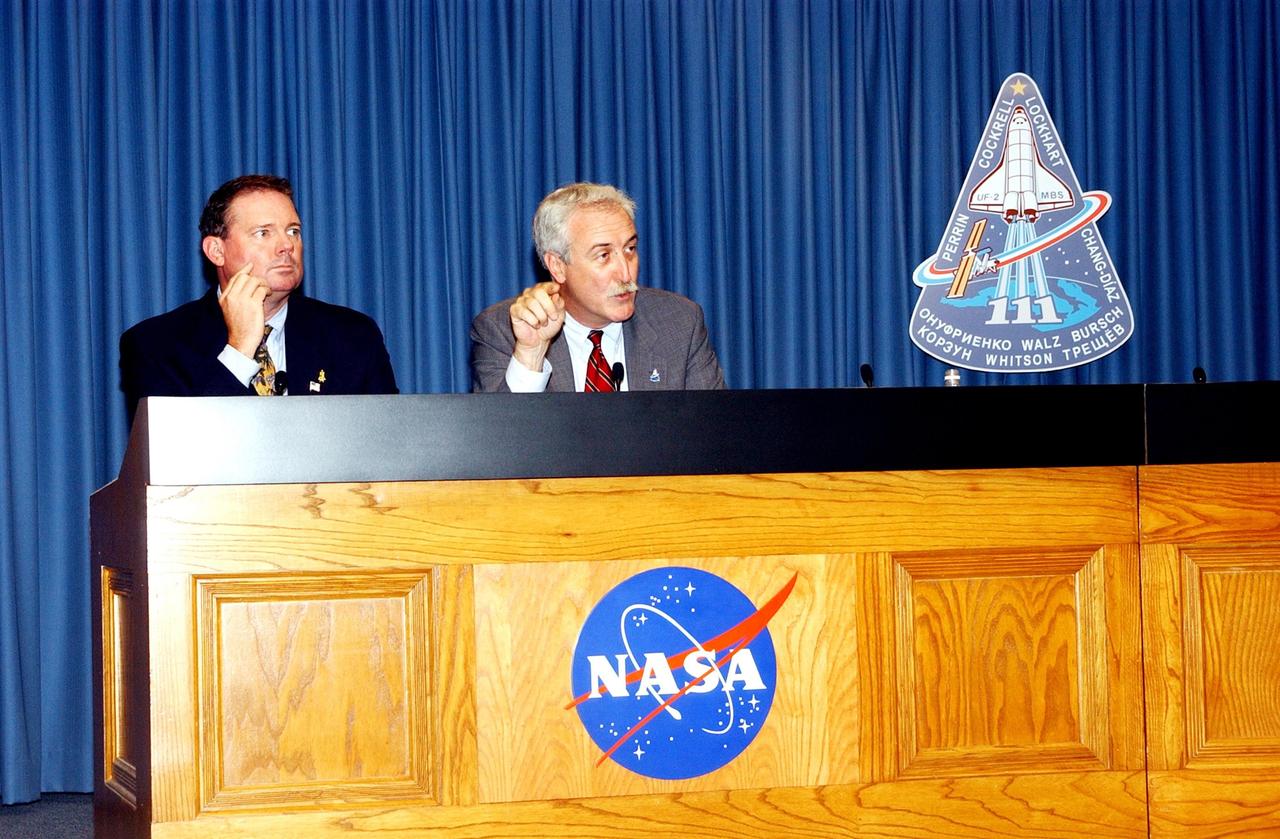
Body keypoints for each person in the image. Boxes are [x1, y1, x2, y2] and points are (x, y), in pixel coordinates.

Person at [120, 174, 397, 422]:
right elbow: (179, 452)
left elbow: (391, 445)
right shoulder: (156, 346)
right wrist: (239, 351)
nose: (287, 245)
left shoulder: (353, 336)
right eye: (263, 233)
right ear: (216, 251)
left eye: (293, 231)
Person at [471, 182, 725, 392]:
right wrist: (532, 353)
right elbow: (497, 437)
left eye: (630, 249)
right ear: (557, 266)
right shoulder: (503, 331)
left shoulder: (679, 323)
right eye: (603, 255)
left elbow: (716, 431)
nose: (626, 273)